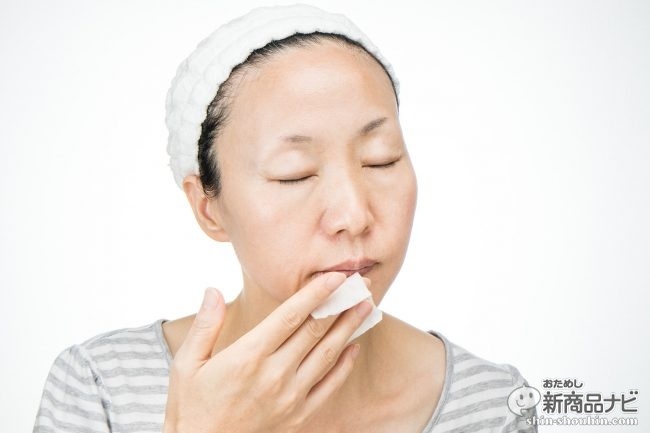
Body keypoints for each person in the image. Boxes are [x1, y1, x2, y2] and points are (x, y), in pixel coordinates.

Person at [33, 4, 537, 433]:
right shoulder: (101, 387)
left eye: (380, 160)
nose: (353, 216)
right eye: (294, 174)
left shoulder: (495, 404)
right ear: (208, 207)